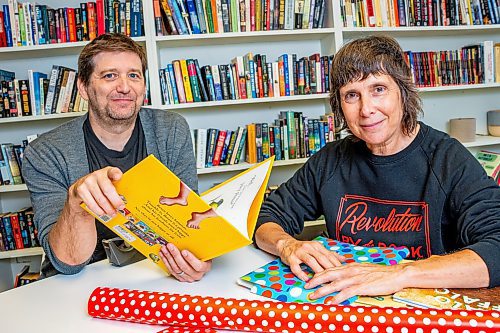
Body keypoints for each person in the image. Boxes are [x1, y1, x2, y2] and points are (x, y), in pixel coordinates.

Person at [255, 35, 500, 304]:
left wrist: (400, 274)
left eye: (379, 89)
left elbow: (497, 248)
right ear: (339, 106)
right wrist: (286, 244)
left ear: (403, 93)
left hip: (422, 307)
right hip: (346, 304)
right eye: (351, 95)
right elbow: (266, 217)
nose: (366, 109)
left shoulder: (448, 159)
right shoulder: (330, 161)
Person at [22, 33, 211, 282]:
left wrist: (198, 258)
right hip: (79, 281)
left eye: (133, 75)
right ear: (83, 87)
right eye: (110, 75)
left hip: (155, 273)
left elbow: (187, 225)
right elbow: (67, 263)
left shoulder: (171, 130)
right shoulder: (45, 152)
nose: (124, 87)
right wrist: (77, 203)